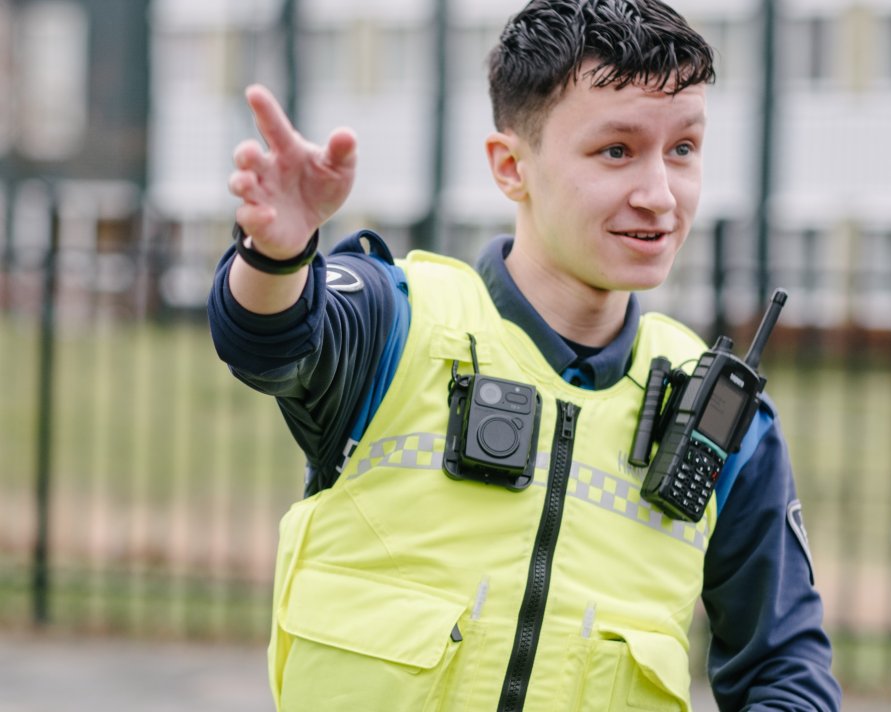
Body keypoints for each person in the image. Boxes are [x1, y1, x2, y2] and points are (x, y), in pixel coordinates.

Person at [208, 0, 842, 709]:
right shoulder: (399, 322)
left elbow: (786, 671)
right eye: (617, 150)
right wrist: (276, 255)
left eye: (683, 150)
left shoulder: (724, 420)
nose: (660, 196)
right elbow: (267, 339)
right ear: (511, 167)